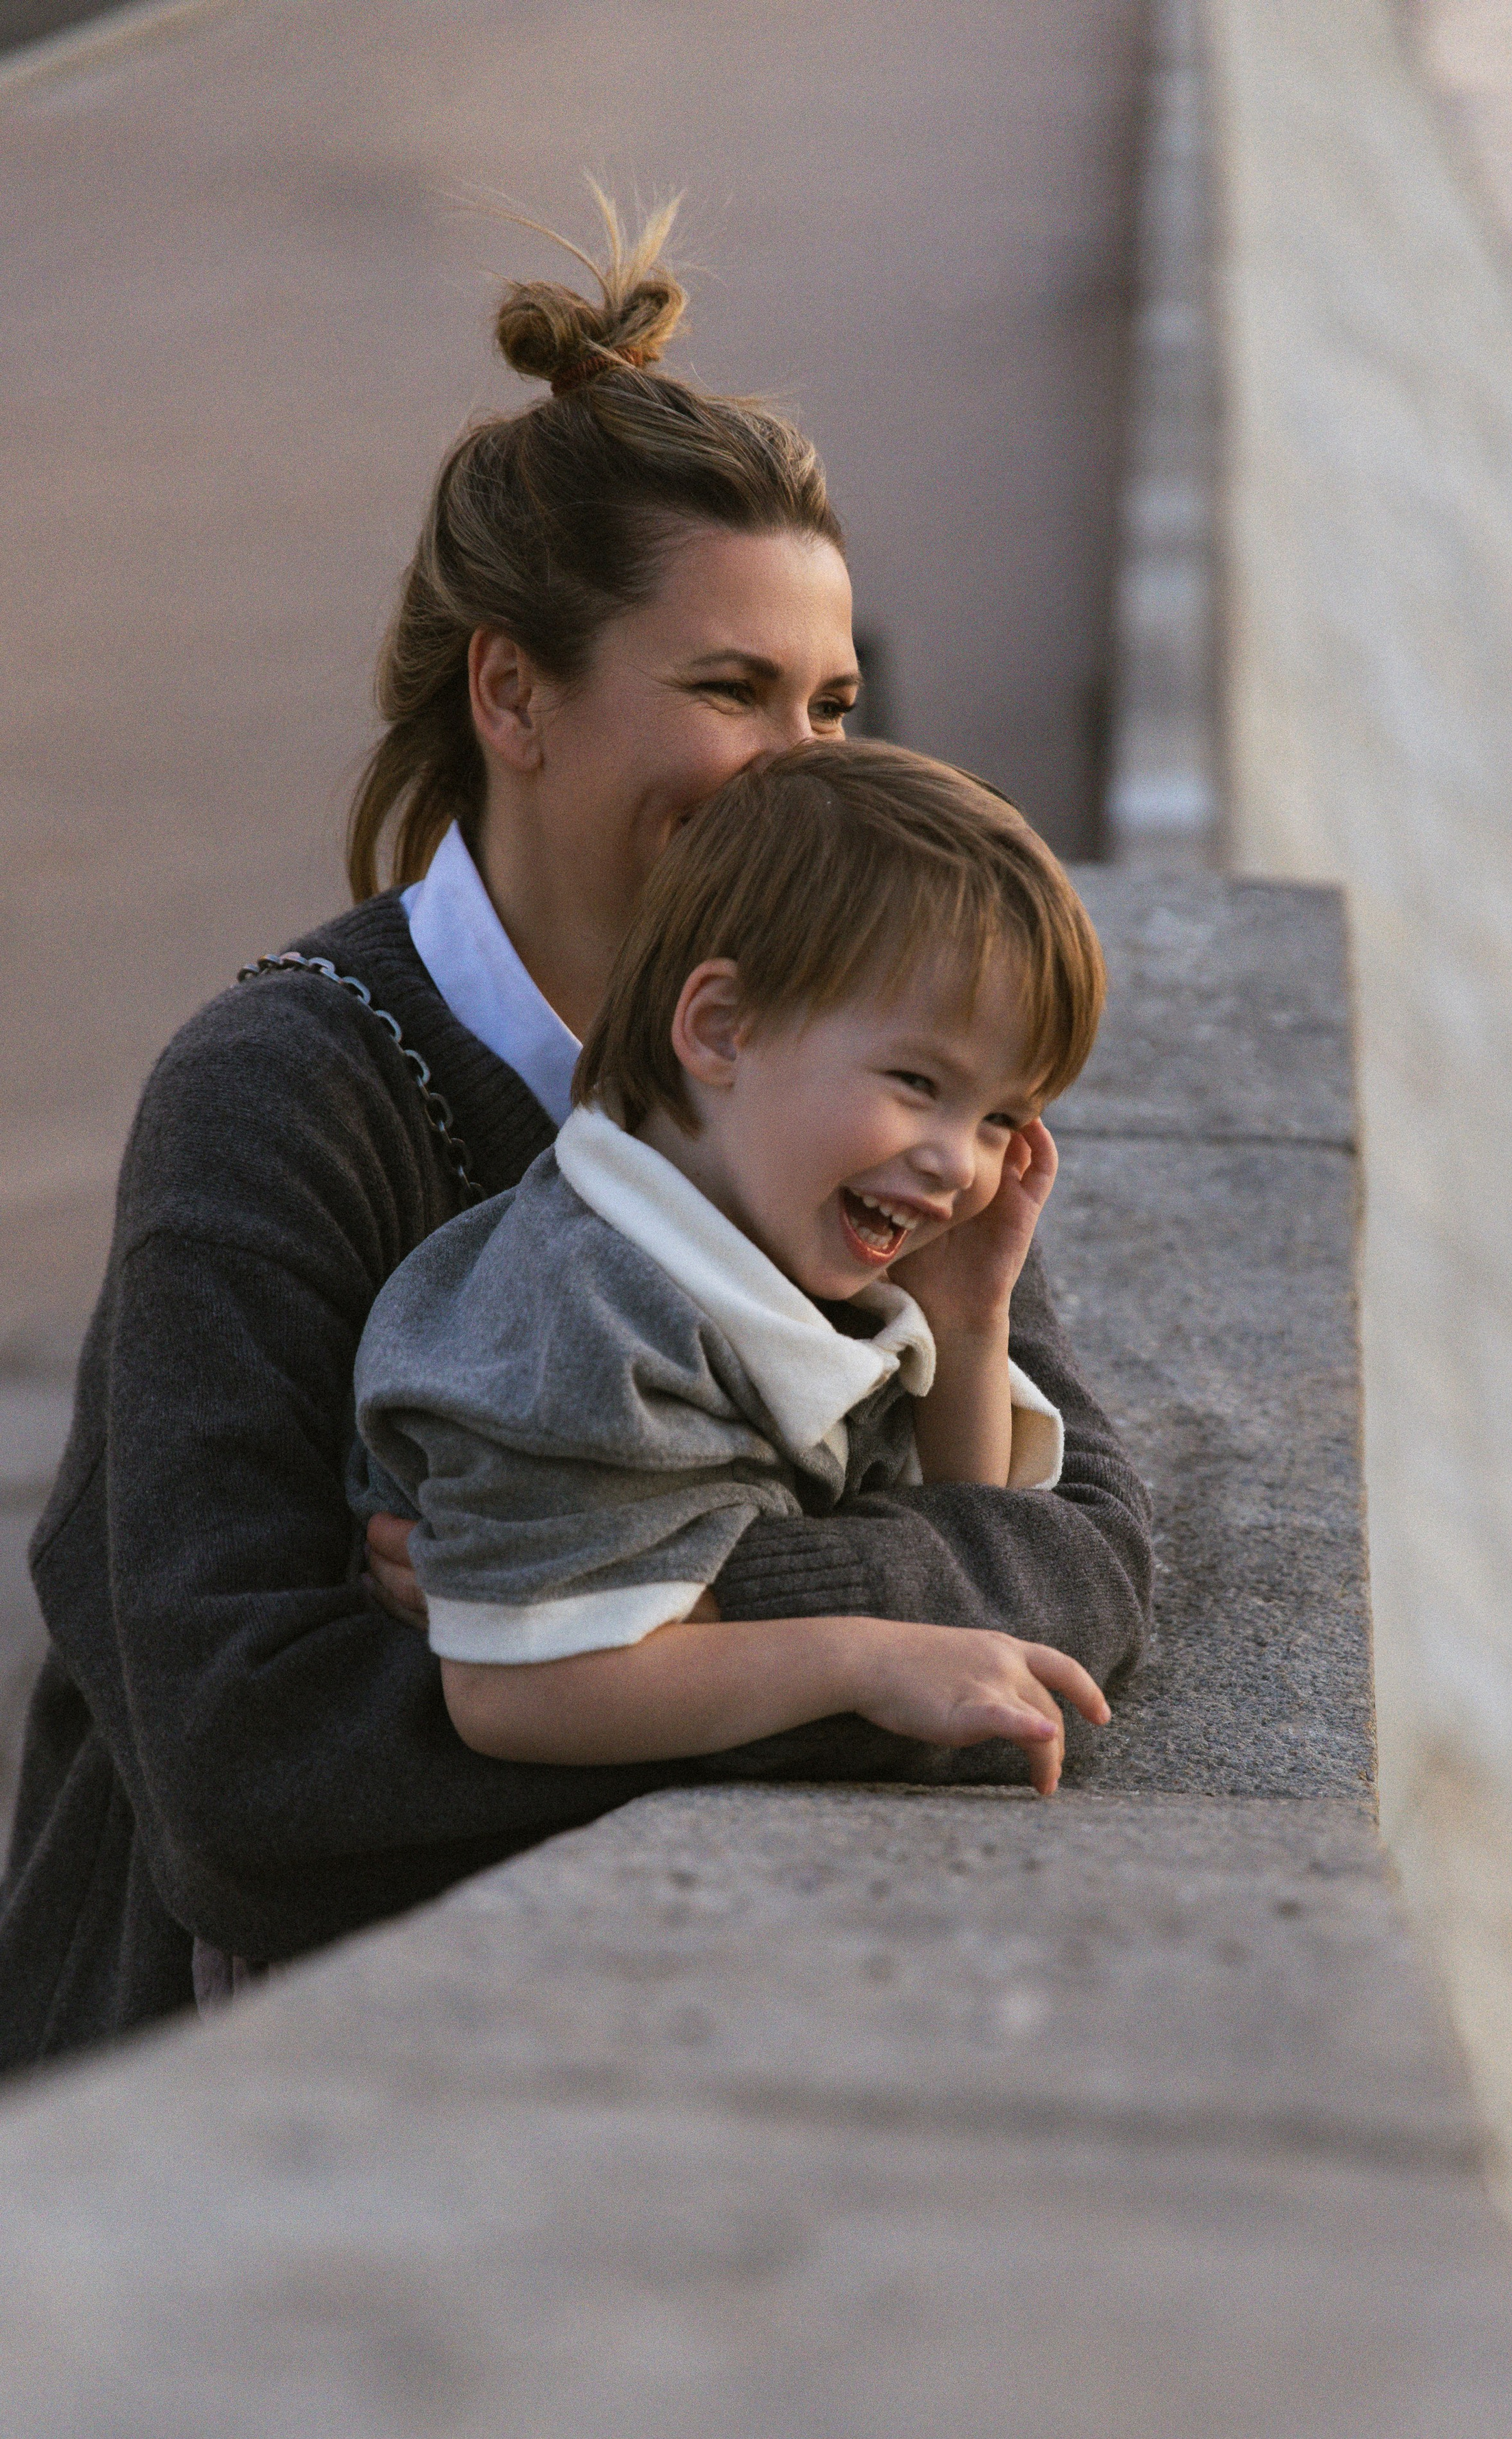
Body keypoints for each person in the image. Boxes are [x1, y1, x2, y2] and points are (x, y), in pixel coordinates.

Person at [0, 206, 1152, 2072]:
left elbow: (1085, 1565)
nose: (801, 768)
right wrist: (865, 1651)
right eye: (728, 691)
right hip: (204, 2094)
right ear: (513, 694)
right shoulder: (280, 1099)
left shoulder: (844, 1063)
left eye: (832, 704)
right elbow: (251, 1778)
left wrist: (593, 1611)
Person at [356, 740, 1111, 1798]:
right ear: (719, 1030)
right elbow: (511, 1691)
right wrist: (867, 1658)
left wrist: (970, 1324)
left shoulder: (785, 1236)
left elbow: (976, 1530)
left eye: (1000, 1118)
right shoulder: (592, 1320)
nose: (958, 1162)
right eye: (916, 1082)